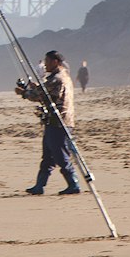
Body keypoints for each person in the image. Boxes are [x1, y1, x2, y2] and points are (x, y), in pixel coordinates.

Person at [16, 50, 80, 196]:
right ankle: (39, 186)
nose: (45, 65)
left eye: (47, 62)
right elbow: (46, 92)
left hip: (59, 122)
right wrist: (33, 87)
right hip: (55, 121)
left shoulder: (57, 78)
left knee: (59, 154)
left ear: (55, 61)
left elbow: (40, 95)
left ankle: (73, 183)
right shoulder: (61, 76)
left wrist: (24, 93)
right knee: (48, 155)